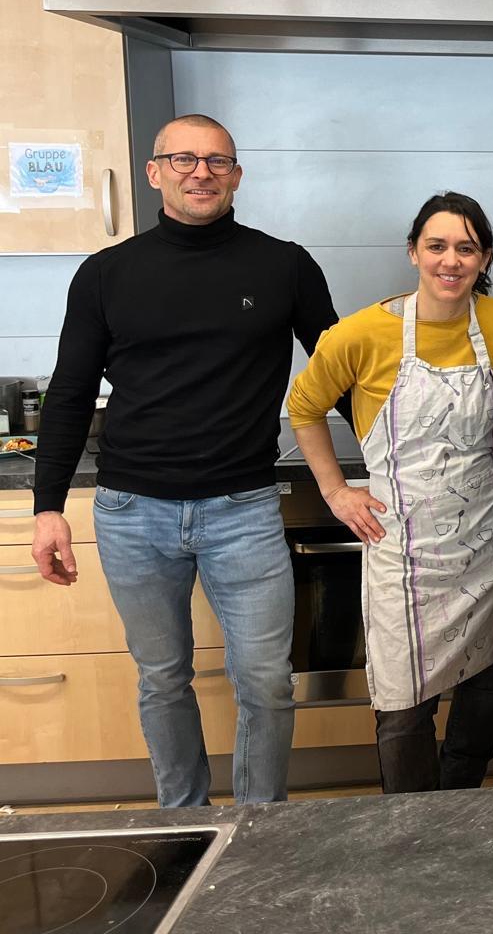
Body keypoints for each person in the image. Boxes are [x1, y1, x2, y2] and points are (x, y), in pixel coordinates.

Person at [29, 113, 342, 807]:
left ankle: (261, 825)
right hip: (132, 512)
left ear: (236, 175)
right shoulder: (106, 274)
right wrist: (47, 506)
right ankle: (185, 820)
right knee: (162, 676)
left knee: (265, 679)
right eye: (184, 160)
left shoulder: (284, 265)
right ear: (154, 172)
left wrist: (397, 458)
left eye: (217, 161)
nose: (201, 172)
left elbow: (338, 374)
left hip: (245, 508)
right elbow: (71, 393)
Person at [286, 192, 493, 793]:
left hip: (489, 539)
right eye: (437, 246)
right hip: (405, 547)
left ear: (484, 257)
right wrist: (338, 492)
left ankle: (462, 802)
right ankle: (410, 823)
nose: (451, 260)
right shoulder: (361, 334)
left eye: (466, 248)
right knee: (402, 697)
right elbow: (304, 407)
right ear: (413, 251)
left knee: (485, 682)